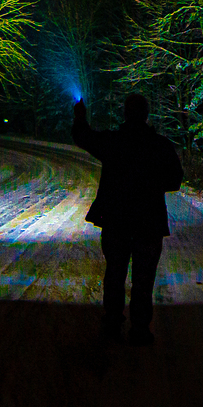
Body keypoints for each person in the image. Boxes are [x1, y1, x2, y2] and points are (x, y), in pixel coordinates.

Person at [72, 93, 183, 345]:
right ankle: (140, 329)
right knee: (144, 279)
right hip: (148, 224)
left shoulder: (113, 142)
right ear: (146, 115)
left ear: (125, 113)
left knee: (115, 273)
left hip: (116, 221)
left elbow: (84, 138)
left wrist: (79, 118)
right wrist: (151, 185)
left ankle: (112, 322)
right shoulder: (160, 145)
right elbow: (175, 179)